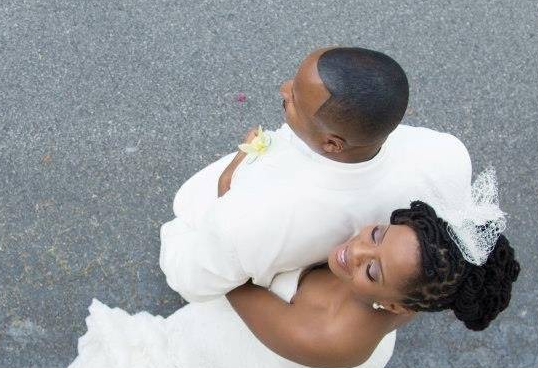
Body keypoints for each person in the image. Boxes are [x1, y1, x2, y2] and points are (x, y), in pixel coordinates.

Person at [64, 179, 520, 368]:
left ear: (398, 305)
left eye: (373, 272)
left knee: (170, 366)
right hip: (311, 325)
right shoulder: (411, 282)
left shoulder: (326, 336)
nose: (355, 252)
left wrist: (230, 209)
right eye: (377, 235)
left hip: (295, 348)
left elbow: (229, 282)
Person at [160, 47, 473, 301]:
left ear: (332, 144)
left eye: (295, 99)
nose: (283, 90)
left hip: (205, 237)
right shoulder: (447, 155)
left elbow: (187, 279)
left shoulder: (248, 221)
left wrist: (223, 192)